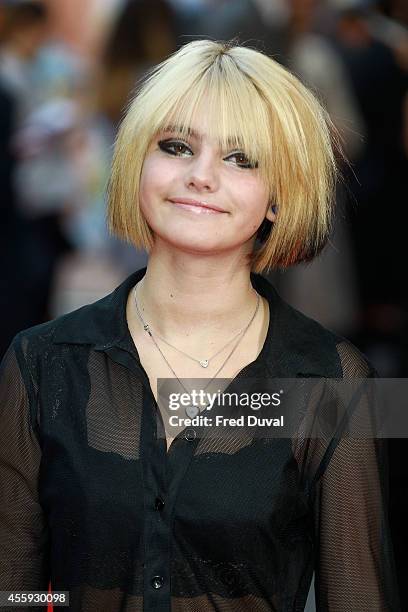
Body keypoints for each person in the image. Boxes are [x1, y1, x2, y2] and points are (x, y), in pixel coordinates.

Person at [0, 40, 399, 611]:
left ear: (278, 199)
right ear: (138, 159)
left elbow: (360, 597)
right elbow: (12, 589)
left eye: (241, 158)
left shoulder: (335, 380)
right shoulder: (38, 363)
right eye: (177, 146)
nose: (201, 176)